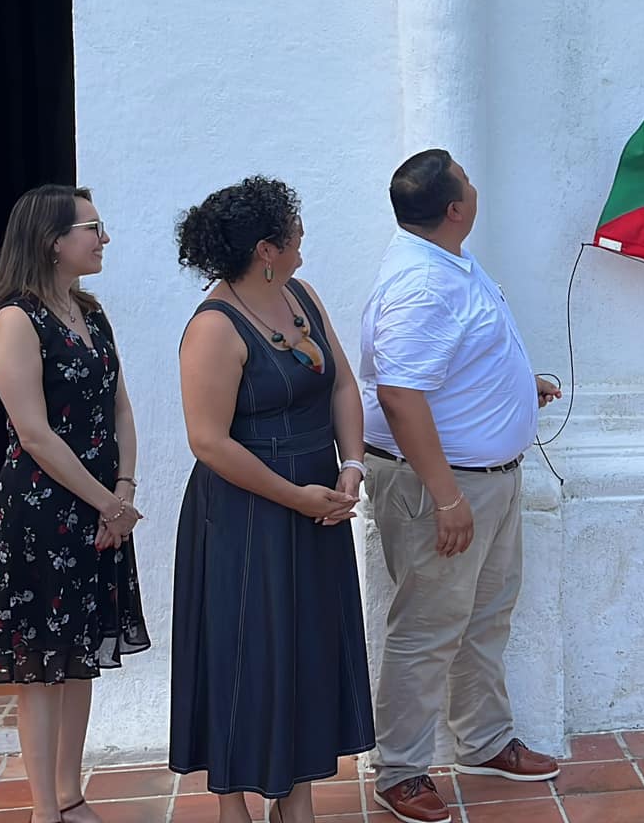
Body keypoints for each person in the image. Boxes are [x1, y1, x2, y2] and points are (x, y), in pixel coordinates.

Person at [361, 150, 563, 823]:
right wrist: (445, 495)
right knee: (427, 627)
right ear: (455, 208)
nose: (476, 186)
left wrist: (511, 386)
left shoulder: (448, 262)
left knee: (485, 616)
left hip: (488, 480)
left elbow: (446, 364)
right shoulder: (423, 284)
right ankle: (402, 770)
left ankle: (482, 738)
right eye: (468, 181)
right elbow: (398, 394)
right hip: (445, 490)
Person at [170, 176, 375, 823]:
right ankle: (234, 800)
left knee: (304, 649)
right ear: (267, 247)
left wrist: (351, 465)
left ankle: (297, 799)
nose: (303, 235)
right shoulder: (214, 327)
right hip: (247, 512)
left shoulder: (301, 296)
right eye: (294, 227)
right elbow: (208, 442)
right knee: (246, 654)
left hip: (315, 499)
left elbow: (341, 384)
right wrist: (297, 497)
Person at [0, 185, 151, 823]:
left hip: (103, 506)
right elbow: (35, 433)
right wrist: (110, 502)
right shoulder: (15, 320)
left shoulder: (90, 311)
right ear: (53, 241)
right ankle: (43, 808)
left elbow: (121, 406)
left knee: (79, 657)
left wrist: (125, 491)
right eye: (92, 227)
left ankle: (73, 793)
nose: (102, 239)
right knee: (41, 664)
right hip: (44, 511)